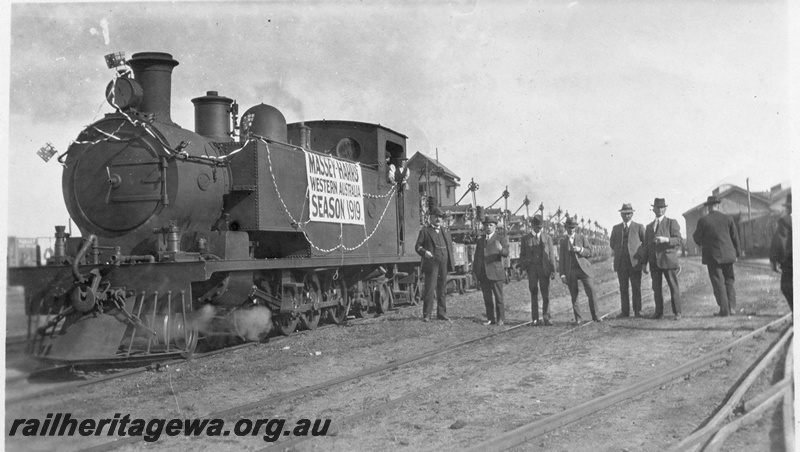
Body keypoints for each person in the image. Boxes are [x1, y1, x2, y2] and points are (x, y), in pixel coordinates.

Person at [692, 195, 742, 316]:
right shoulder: (728, 219)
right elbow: (735, 237)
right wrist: (737, 253)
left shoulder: (703, 221)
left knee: (718, 283)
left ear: (708, 207)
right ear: (718, 206)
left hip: (713, 256)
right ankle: (732, 308)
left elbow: (696, 237)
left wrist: (706, 244)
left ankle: (724, 310)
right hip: (729, 256)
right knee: (729, 281)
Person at [640, 198, 683, 320]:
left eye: (662, 208)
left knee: (673, 286)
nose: (659, 210)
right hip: (654, 262)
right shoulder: (649, 227)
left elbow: (679, 240)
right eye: (657, 208)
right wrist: (644, 263)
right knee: (656, 288)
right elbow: (647, 246)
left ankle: (677, 312)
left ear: (665, 209)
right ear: (653, 209)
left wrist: (666, 240)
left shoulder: (671, 222)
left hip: (668, 260)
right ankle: (659, 312)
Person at [414, 207, 455, 322]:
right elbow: (417, 247)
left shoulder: (445, 231)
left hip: (443, 262)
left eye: (440, 217)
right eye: (435, 217)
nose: (438, 219)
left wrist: (450, 262)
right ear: (430, 218)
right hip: (432, 262)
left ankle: (441, 313)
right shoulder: (425, 231)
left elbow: (449, 247)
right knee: (430, 289)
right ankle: (427, 315)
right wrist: (424, 252)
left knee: (442, 289)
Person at [558, 216, 600, 323]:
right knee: (574, 295)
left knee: (591, 290)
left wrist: (580, 249)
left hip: (584, 269)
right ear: (565, 228)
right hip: (571, 271)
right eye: (569, 227)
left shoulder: (582, 238)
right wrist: (562, 275)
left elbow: (589, 252)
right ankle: (578, 319)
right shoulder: (563, 243)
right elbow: (561, 260)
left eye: (573, 227)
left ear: (575, 228)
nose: (571, 230)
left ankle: (595, 316)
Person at [518, 214, 557, 326]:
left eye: (540, 227)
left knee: (546, 294)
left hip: (544, 270)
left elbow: (551, 255)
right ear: (532, 226)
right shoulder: (525, 239)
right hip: (532, 271)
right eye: (536, 227)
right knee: (533, 293)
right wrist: (522, 267)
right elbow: (522, 254)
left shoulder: (547, 238)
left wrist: (553, 270)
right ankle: (535, 319)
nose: (538, 229)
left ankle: (546, 317)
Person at [609, 203, 646, 318]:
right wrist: (620, 252)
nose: (626, 216)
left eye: (629, 213)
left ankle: (637, 311)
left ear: (632, 214)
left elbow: (645, 243)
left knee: (636, 287)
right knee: (623, 288)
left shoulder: (639, 227)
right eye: (624, 214)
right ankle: (625, 312)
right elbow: (612, 243)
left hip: (634, 263)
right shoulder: (616, 228)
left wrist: (640, 257)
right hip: (621, 263)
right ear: (621, 214)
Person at [473, 215, 509, 325]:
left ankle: (500, 318)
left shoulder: (500, 239)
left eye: (491, 225)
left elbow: (506, 253)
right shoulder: (481, 240)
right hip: (484, 274)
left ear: (495, 227)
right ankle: (490, 318)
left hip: (496, 273)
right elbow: (477, 257)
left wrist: (501, 249)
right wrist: (476, 272)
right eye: (486, 225)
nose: (488, 227)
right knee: (487, 298)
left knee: (498, 297)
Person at [770, 193, 792, 311]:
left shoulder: (785, 221)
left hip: (791, 263)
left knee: (786, 287)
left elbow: (780, 242)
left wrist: (774, 261)